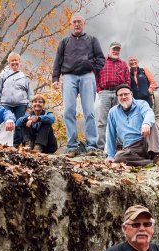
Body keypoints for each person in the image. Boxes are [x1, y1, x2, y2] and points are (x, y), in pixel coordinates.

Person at [52, 13, 105, 157]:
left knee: (89, 111)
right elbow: (57, 61)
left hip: (87, 76)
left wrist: (91, 66)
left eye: (79, 22)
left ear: (84, 24)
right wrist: (55, 78)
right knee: (68, 110)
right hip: (68, 76)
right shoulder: (65, 41)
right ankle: (72, 146)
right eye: (74, 22)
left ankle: (92, 145)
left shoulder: (92, 40)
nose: (77, 24)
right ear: (71, 24)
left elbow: (101, 59)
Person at [105, 84, 159, 166]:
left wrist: (146, 123)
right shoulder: (113, 112)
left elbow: (149, 113)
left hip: (146, 141)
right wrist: (110, 155)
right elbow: (111, 133)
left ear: (131, 94)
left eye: (126, 94)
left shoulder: (141, 104)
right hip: (130, 148)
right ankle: (149, 162)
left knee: (151, 123)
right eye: (120, 95)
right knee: (118, 157)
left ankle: (156, 155)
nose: (123, 97)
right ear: (117, 97)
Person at [129, 55, 159, 155]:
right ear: (129, 63)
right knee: (137, 123)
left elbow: (153, 83)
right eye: (131, 61)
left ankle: (154, 149)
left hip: (147, 100)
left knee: (149, 122)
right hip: (135, 102)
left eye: (134, 60)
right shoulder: (128, 73)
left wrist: (149, 91)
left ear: (137, 61)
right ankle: (141, 147)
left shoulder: (144, 71)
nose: (133, 62)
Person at [95, 41, 130, 150]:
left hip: (119, 94)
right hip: (104, 92)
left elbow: (127, 79)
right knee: (102, 120)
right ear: (109, 50)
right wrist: (99, 90)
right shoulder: (101, 62)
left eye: (118, 50)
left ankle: (119, 145)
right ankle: (101, 146)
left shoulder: (123, 64)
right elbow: (95, 77)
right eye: (114, 49)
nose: (115, 51)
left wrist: (124, 92)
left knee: (119, 119)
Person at [0, 52, 32, 145]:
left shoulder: (25, 76)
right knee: (6, 123)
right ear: (9, 63)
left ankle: (16, 144)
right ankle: (5, 143)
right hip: (6, 103)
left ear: (19, 62)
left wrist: (29, 106)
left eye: (16, 60)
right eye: (12, 61)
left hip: (21, 104)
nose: (14, 62)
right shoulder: (3, 75)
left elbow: (30, 92)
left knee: (18, 124)